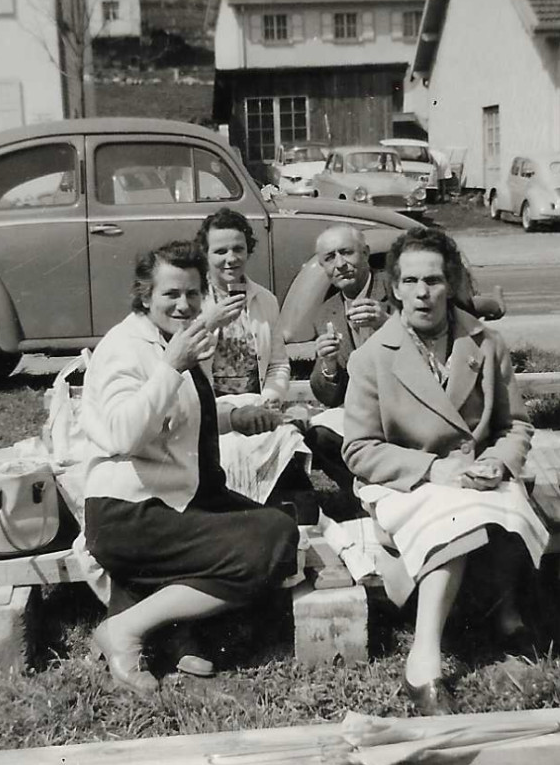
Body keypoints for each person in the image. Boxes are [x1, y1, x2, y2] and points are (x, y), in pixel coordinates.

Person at [342, 227, 549, 716]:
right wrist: (434, 470)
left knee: (496, 509)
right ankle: (424, 656)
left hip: (477, 476)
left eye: (433, 280)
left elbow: (515, 424)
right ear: (393, 288)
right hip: (406, 483)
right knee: (456, 514)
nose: (422, 292)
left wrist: (498, 460)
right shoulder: (372, 357)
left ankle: (500, 611)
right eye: (410, 281)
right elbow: (358, 449)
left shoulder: (486, 343)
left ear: (450, 284)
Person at [80, 239, 299, 697]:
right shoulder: (125, 349)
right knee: (269, 542)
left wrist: (234, 417)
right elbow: (123, 434)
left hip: (182, 497)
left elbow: (180, 419)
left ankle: (171, 625)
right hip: (130, 513)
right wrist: (171, 366)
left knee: (279, 524)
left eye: (194, 295)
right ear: (145, 296)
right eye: (171, 295)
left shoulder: (170, 340)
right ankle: (127, 630)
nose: (184, 305)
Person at [299, 225, 392, 492]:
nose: (340, 264)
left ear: (365, 253)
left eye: (347, 253)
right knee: (315, 435)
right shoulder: (326, 313)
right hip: (361, 414)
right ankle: (360, 495)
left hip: (405, 407)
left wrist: (388, 324)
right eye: (330, 258)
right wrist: (328, 366)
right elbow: (328, 397)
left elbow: (430, 346)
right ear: (323, 267)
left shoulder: (397, 289)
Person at [195, 207, 291, 403]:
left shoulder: (265, 299)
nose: (231, 259)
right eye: (220, 251)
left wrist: (270, 398)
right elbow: (178, 360)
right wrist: (209, 322)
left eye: (238, 249)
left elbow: (278, 364)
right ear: (205, 254)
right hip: (209, 412)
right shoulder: (193, 299)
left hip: (256, 407)